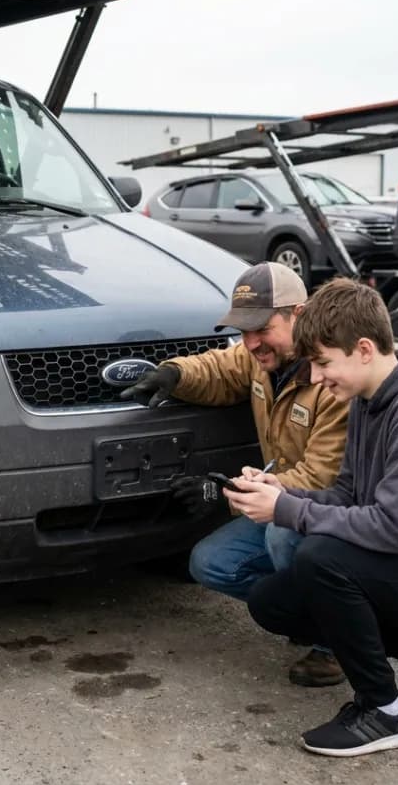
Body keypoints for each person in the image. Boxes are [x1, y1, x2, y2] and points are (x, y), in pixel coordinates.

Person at [224, 277, 398, 757]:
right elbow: (349, 495)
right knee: (272, 602)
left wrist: (288, 511)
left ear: (365, 349)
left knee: (320, 559)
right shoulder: (367, 403)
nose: (315, 378)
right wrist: (280, 489)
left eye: (323, 363)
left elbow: (392, 529)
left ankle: (384, 712)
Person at [121, 262, 350, 686]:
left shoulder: (334, 379)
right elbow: (220, 368)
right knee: (212, 563)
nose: (250, 342)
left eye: (261, 328)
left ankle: (339, 642)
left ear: (298, 315)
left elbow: (320, 479)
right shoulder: (260, 359)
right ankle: (314, 617)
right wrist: (173, 373)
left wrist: (222, 491)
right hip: (277, 498)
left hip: (330, 518)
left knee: (283, 531)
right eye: (243, 330)